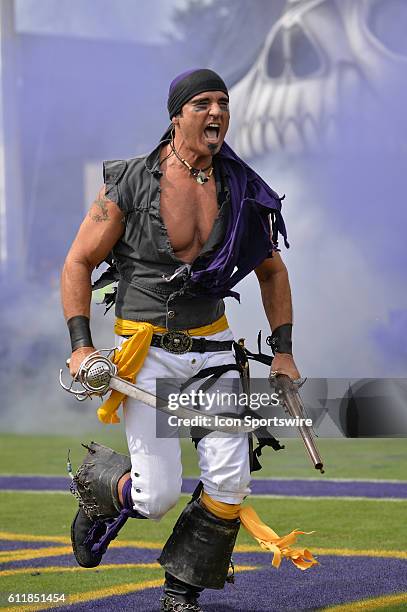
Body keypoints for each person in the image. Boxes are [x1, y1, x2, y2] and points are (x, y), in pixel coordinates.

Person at [61, 69, 314, 612]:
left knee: (229, 482)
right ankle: (104, 490)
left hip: (214, 352)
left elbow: (272, 273)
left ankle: (183, 591)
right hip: (144, 354)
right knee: (155, 497)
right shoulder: (129, 181)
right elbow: (79, 261)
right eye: (203, 104)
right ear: (177, 115)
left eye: (223, 103)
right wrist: (82, 345)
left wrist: (285, 350)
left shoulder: (241, 188)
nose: (217, 112)